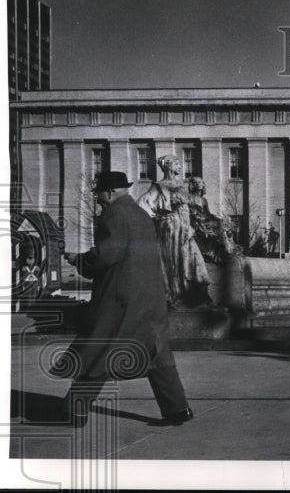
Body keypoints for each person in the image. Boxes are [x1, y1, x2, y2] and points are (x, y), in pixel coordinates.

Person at [59, 171, 193, 428]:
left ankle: (73, 412)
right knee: (157, 355)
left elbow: (106, 256)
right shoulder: (141, 215)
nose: (97, 199)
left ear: (109, 192)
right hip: (150, 298)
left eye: (98, 193)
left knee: (97, 349)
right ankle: (178, 410)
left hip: (120, 300)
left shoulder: (114, 214)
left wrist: (79, 259)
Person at [138, 155, 210, 307]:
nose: (180, 166)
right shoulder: (158, 186)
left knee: (194, 259)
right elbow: (143, 204)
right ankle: (176, 295)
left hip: (185, 227)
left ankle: (193, 295)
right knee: (173, 261)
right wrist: (160, 213)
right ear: (169, 166)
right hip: (170, 226)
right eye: (177, 164)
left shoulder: (182, 185)